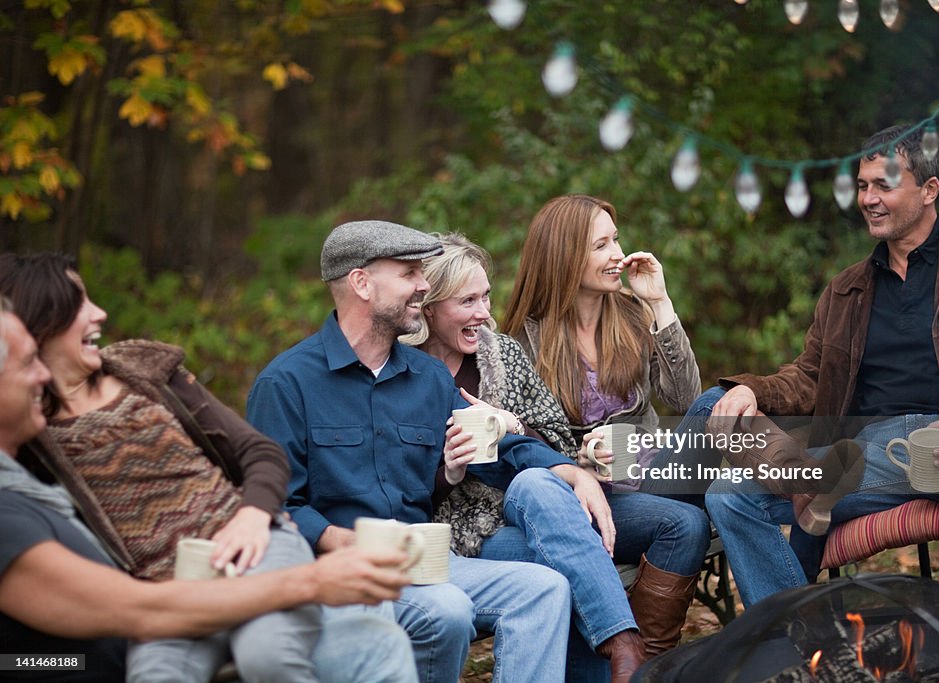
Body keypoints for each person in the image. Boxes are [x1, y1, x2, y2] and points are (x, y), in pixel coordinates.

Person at [0, 252, 392, 683]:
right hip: (168, 592)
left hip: (251, 547)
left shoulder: (140, 370)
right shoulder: (31, 434)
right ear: (40, 323)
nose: (100, 313)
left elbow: (260, 452)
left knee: (269, 656)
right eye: (80, 304)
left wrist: (253, 514)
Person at [697, 124, 939, 611]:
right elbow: (809, 377)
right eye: (863, 185)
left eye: (883, 186)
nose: (868, 198)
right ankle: (795, 646)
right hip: (868, 457)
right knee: (729, 494)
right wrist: (754, 391)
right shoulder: (846, 290)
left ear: (929, 189)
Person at [247, 220, 576, 683]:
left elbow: (501, 451)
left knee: (544, 589)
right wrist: (340, 539)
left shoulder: (429, 378)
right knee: (447, 611)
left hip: (425, 562)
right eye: (408, 273)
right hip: (338, 570)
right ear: (362, 283)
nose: (424, 285)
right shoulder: (286, 384)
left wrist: (568, 469)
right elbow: (275, 505)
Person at [402, 232, 660, 679]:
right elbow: (397, 488)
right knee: (565, 561)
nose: (484, 314)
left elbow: (557, 440)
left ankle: (624, 647)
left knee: (536, 483)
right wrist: (450, 470)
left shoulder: (502, 354)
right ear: (430, 308)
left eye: (486, 297)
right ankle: (624, 646)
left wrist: (512, 424)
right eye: (467, 302)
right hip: (464, 531)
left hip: (538, 506)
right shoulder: (404, 373)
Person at [502, 195, 712, 652]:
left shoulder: (634, 316)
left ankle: (796, 477)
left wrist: (660, 302)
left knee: (714, 404)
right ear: (565, 256)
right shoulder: (525, 340)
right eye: (601, 245)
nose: (618, 254)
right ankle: (644, 659)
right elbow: (526, 447)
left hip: (658, 477)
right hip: (596, 501)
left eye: (615, 240)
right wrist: (579, 459)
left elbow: (686, 400)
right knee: (691, 522)